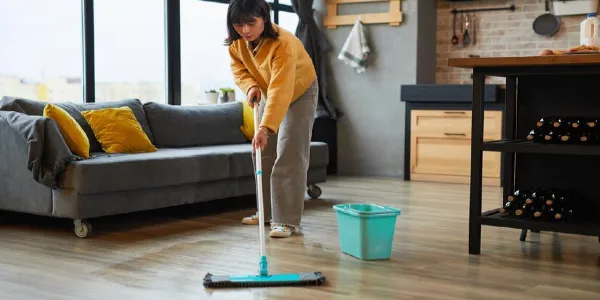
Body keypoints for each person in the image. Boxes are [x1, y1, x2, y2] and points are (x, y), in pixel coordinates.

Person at [225, 0, 318, 238]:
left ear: (264, 18)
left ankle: (286, 221)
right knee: (261, 152)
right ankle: (266, 212)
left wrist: (265, 127)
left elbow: (281, 89)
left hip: (298, 91)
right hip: (269, 90)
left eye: (250, 23)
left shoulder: (283, 44)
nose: (244, 30)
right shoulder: (237, 43)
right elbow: (239, 70)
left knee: (289, 152)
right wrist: (250, 87)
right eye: (238, 24)